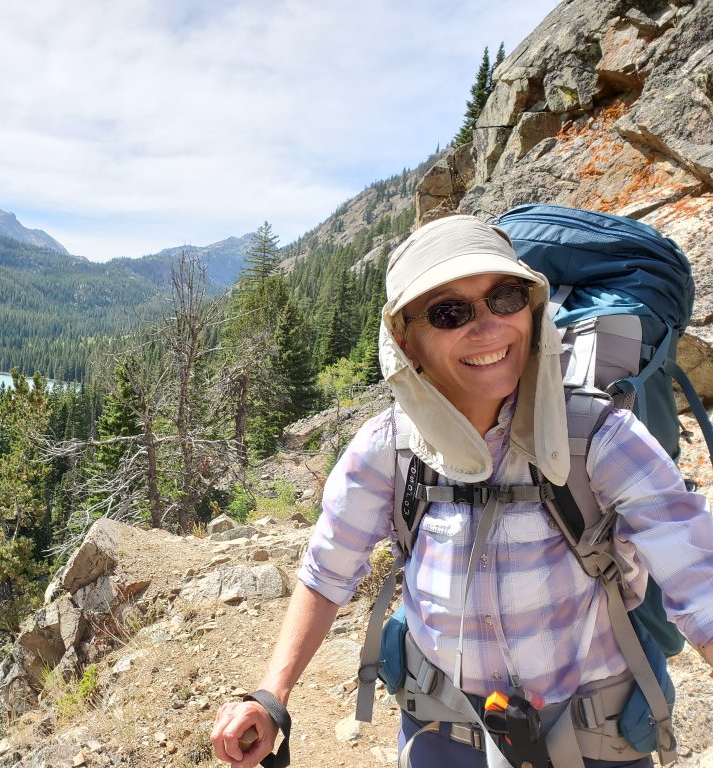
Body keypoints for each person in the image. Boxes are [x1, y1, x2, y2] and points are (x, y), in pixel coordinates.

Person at [210, 215, 713, 768]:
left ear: (532, 308)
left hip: (590, 737)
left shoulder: (598, 435)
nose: (490, 327)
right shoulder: (389, 449)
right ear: (407, 340)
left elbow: (697, 576)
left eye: (505, 297)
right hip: (444, 734)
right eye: (450, 312)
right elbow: (327, 572)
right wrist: (271, 693)